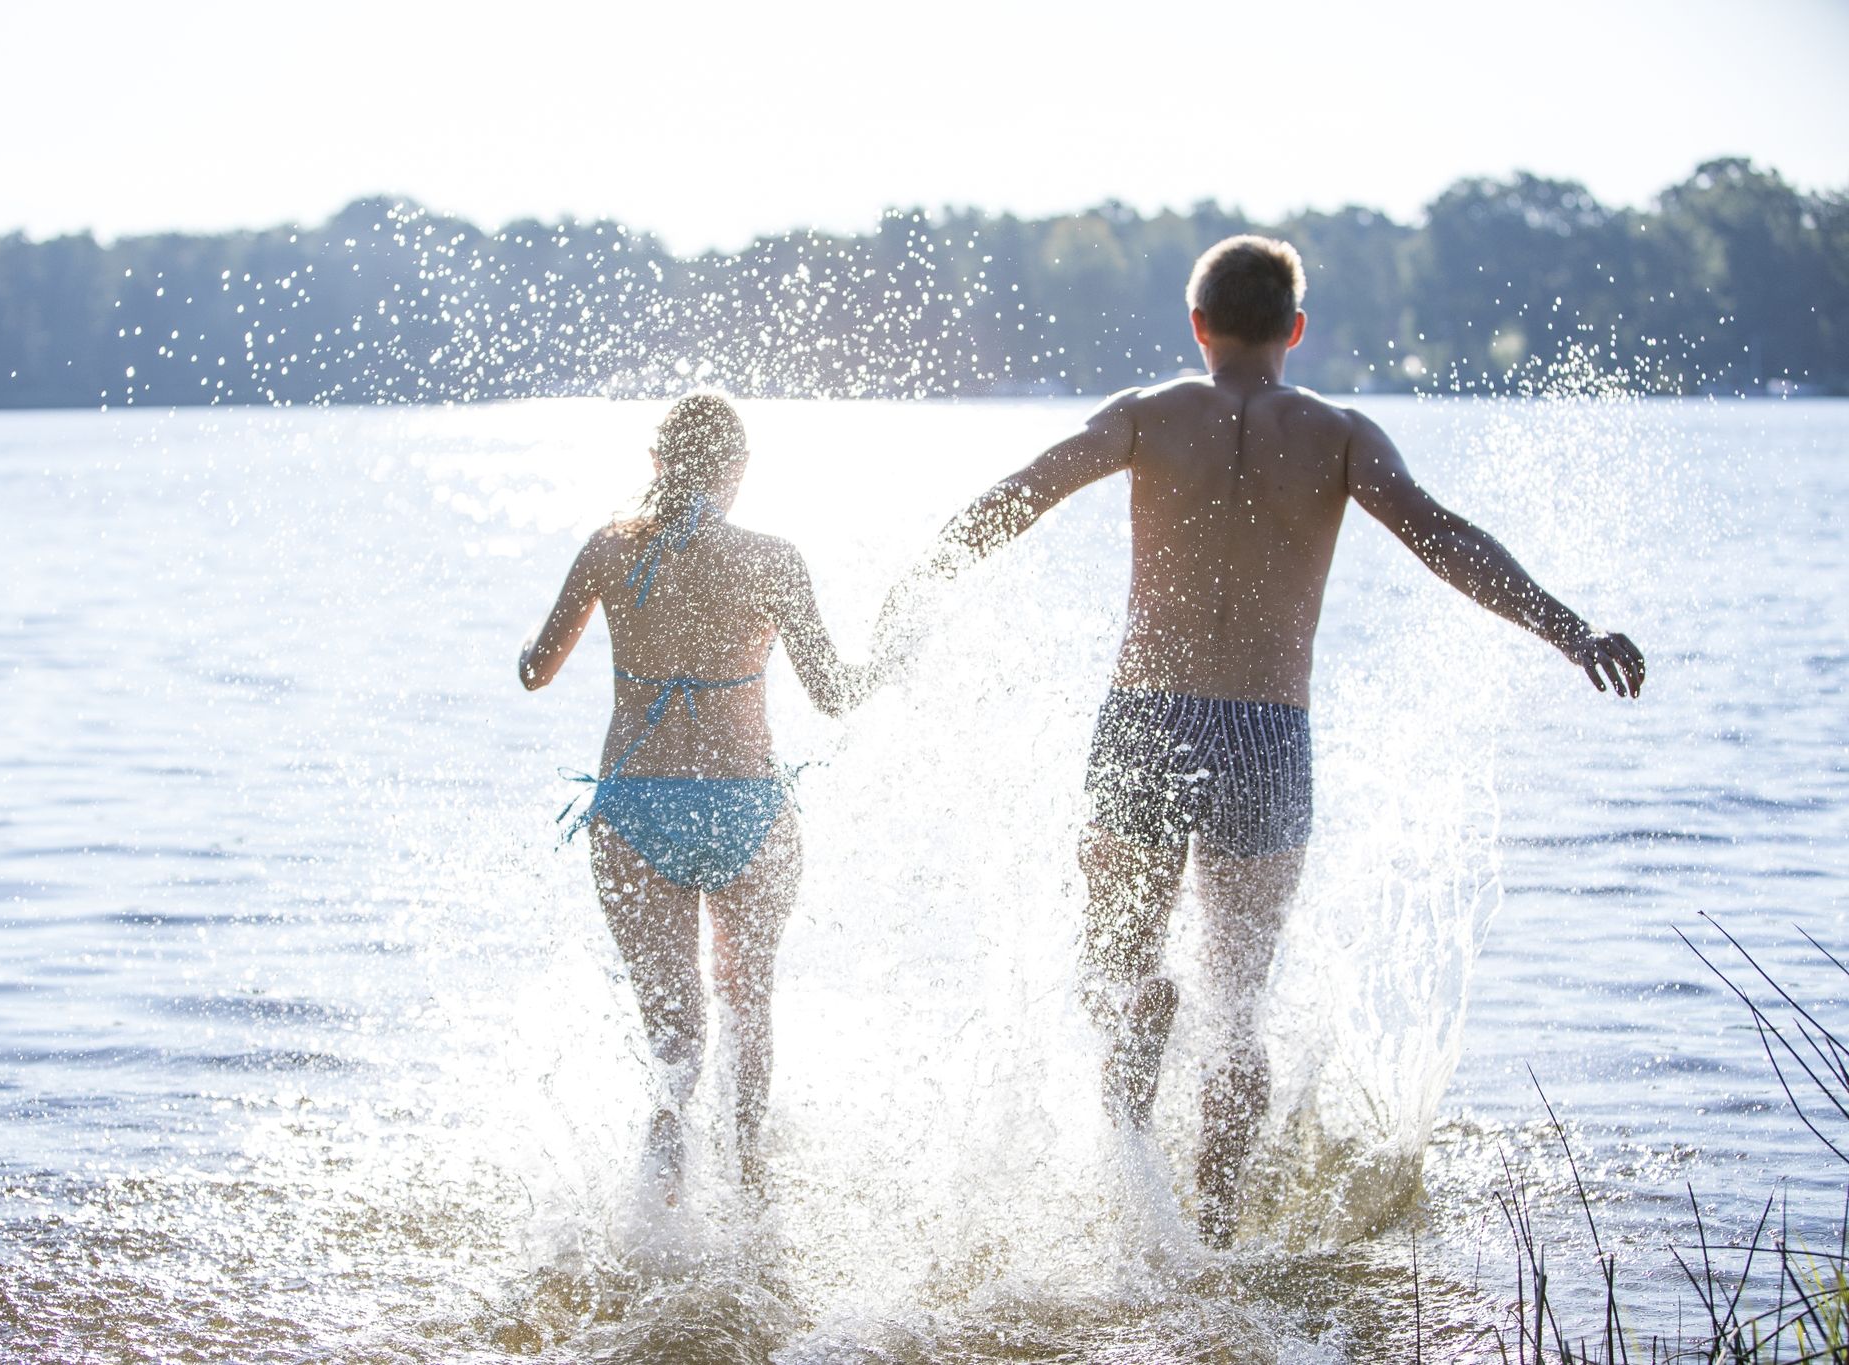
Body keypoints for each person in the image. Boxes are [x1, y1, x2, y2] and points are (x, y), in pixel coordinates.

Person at [872, 236, 1645, 1245]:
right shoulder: (1339, 435)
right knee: (1237, 1002)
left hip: (1144, 720)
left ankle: (1129, 1199)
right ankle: (1215, 1230)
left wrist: (911, 591)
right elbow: (1442, 536)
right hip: (1265, 734)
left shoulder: (1146, 417)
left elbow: (1018, 493)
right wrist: (1567, 628)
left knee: (1126, 973)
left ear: (1196, 324)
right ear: (1295, 330)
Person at [520, 393, 874, 1198]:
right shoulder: (775, 558)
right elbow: (835, 692)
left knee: (676, 1040)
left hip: (638, 811)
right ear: (738, 470)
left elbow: (538, 670)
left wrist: (520, 657)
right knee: (748, 1012)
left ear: (656, 464)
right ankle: (749, 1197)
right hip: (747, 806)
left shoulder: (608, 550)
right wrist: (892, 651)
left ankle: (658, 1211)